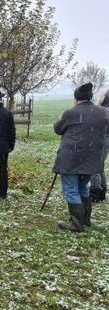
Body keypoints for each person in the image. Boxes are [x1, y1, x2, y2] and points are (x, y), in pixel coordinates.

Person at [53, 82, 108, 232]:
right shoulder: (103, 112)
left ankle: (77, 223)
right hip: (92, 158)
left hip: (71, 158)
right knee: (83, 187)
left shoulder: (71, 112)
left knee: (71, 189)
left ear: (76, 99)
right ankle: (85, 219)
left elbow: (58, 129)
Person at [89, 88, 109, 202]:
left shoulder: (101, 111)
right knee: (99, 166)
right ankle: (102, 190)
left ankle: (95, 192)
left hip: (100, 141)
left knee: (93, 166)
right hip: (106, 140)